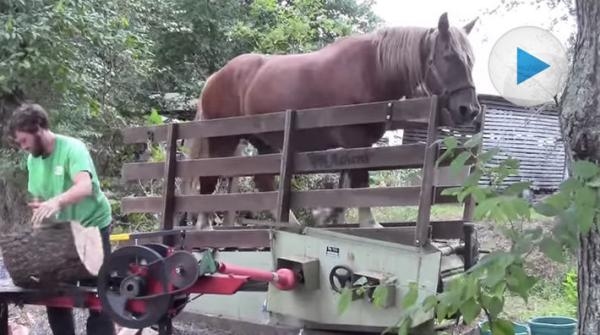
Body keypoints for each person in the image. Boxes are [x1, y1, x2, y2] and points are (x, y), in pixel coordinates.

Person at [7, 102, 116, 335]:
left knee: (98, 294)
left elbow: (85, 187)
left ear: (38, 127)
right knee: (54, 292)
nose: (23, 147)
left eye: (24, 140)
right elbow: (38, 195)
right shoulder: (32, 160)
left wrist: (56, 202)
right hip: (63, 231)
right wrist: (39, 212)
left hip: (92, 226)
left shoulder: (72, 149)